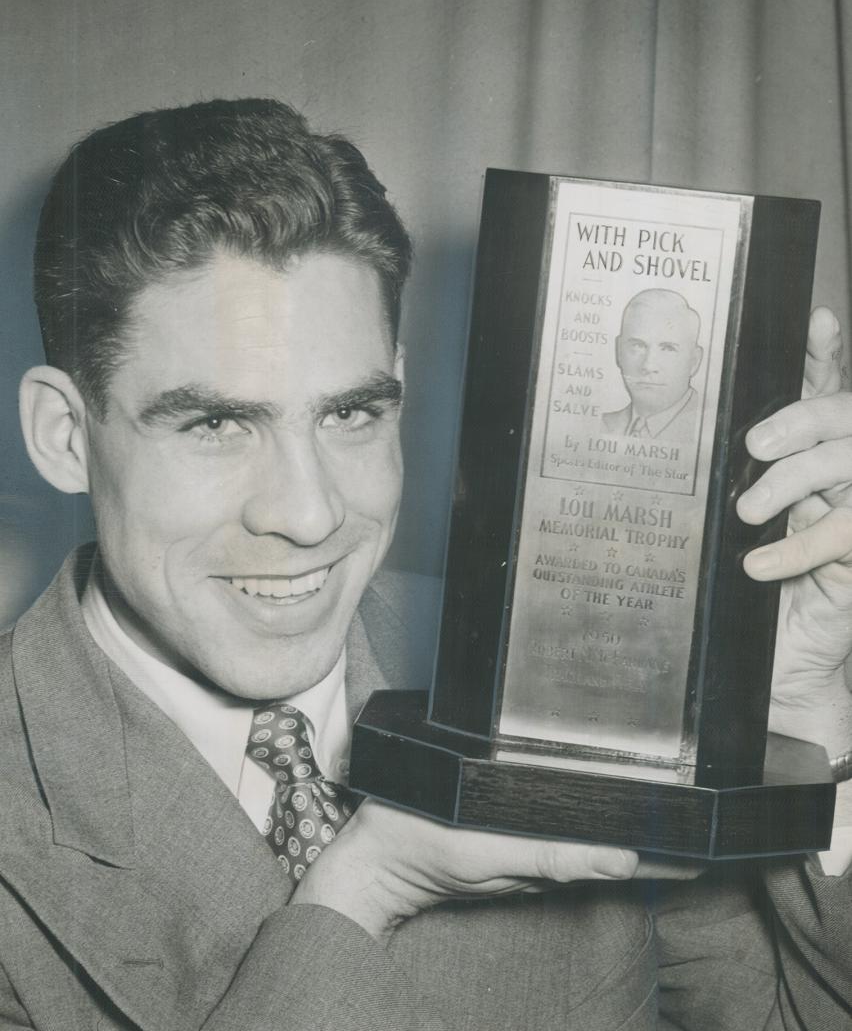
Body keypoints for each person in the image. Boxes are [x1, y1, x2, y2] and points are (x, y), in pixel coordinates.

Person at [0, 98, 849, 1030]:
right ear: (65, 436)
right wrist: (358, 895)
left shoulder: (550, 663)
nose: (311, 512)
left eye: (350, 414)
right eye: (216, 424)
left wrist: (803, 712)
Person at [602, 288, 703, 440]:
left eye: (668, 349)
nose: (648, 366)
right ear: (619, 351)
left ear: (694, 361)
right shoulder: (602, 424)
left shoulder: (706, 429)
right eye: (637, 346)